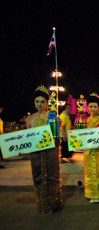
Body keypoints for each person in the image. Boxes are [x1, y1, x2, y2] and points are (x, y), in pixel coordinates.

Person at [26, 85, 62, 214]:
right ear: (34, 103)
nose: (40, 104)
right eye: (37, 101)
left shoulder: (53, 117)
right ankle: (42, 204)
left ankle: (54, 204)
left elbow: (59, 136)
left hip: (50, 151)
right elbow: (27, 138)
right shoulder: (29, 119)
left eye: (42, 101)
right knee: (37, 176)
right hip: (35, 153)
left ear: (47, 103)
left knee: (52, 175)